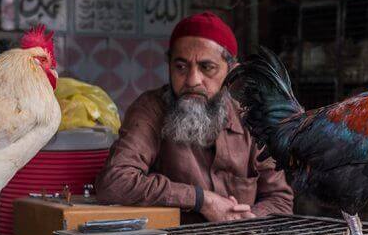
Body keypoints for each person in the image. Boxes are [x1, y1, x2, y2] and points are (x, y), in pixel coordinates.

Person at [96, 12, 293, 223]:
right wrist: (201, 199)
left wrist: (246, 219)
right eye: (180, 67)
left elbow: (280, 199)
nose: (192, 80)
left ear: (232, 72)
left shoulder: (251, 120)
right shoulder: (151, 109)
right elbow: (114, 182)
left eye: (207, 67)